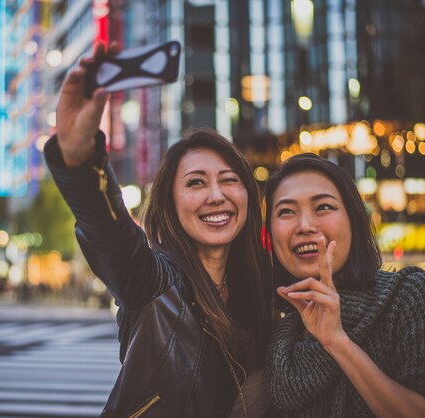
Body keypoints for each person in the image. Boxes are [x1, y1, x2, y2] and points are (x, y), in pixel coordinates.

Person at [43, 43, 271, 417]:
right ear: (169, 203)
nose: (216, 196)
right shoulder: (154, 281)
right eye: (196, 183)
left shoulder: (261, 284)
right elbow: (109, 234)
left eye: (229, 180)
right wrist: (79, 155)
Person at [263, 153, 425, 417]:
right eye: (286, 211)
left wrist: (338, 342)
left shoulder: (410, 296)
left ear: (353, 220)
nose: (304, 225)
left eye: (323, 207)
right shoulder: (278, 334)